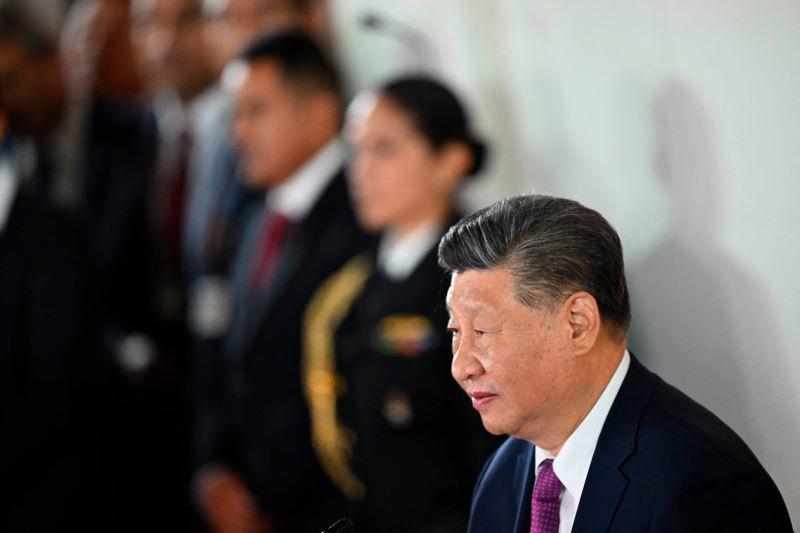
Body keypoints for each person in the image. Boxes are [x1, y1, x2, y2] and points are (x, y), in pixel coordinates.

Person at [438, 194, 793, 532]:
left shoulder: (705, 485)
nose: (462, 367)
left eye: (482, 331)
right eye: (456, 331)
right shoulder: (503, 474)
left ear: (578, 324)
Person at [303, 76, 501, 532]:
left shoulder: (483, 283)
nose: (361, 170)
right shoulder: (352, 283)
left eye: (384, 149)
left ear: (450, 161)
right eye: (356, 150)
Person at [194, 30, 372, 533]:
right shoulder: (246, 217)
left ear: (317, 113)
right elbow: (219, 352)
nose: (238, 133)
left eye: (256, 111)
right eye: (235, 114)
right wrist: (212, 469)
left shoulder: (365, 218)